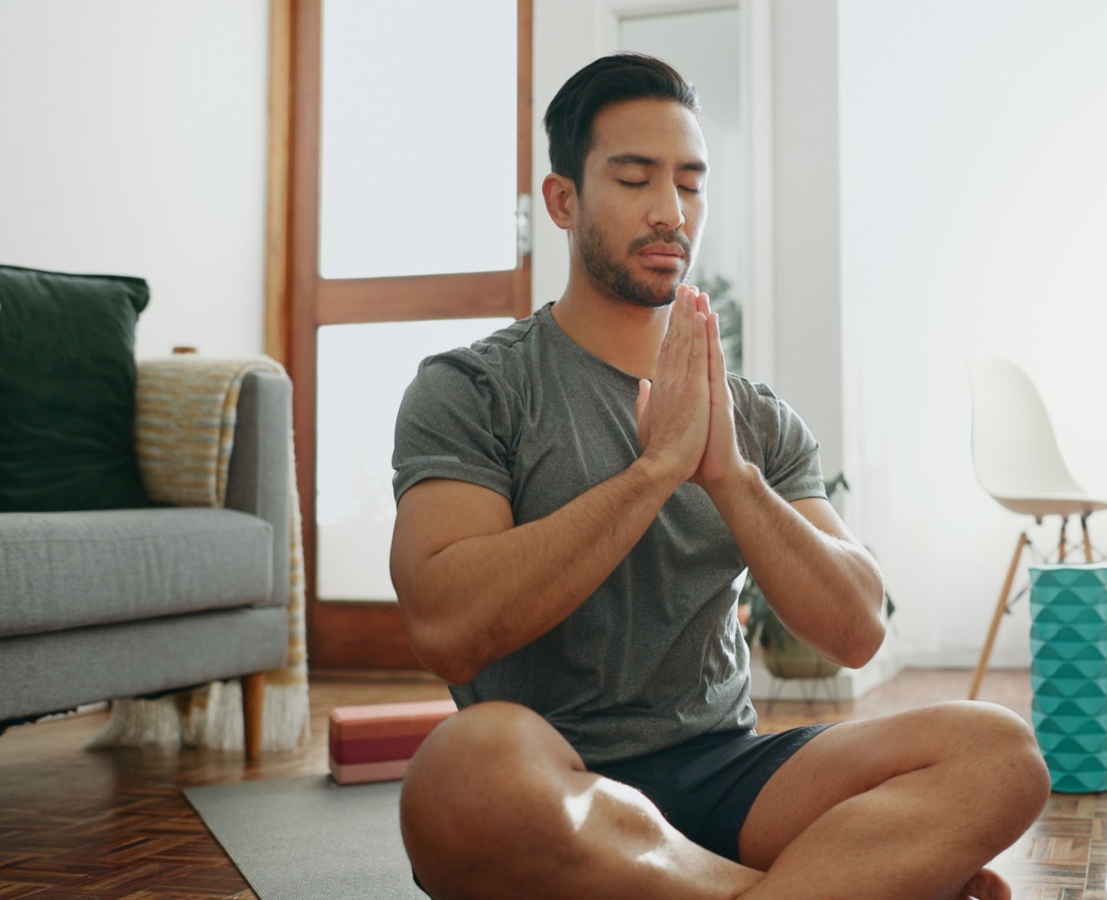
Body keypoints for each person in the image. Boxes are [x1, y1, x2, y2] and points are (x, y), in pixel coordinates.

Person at [389, 52, 1049, 900]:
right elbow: (446, 626)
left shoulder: (756, 420)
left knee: (997, 752)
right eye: (634, 179)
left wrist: (730, 477)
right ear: (563, 200)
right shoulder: (475, 388)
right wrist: (653, 474)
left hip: (729, 774)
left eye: (691, 184)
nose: (671, 213)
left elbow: (857, 628)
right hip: (548, 776)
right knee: (462, 772)